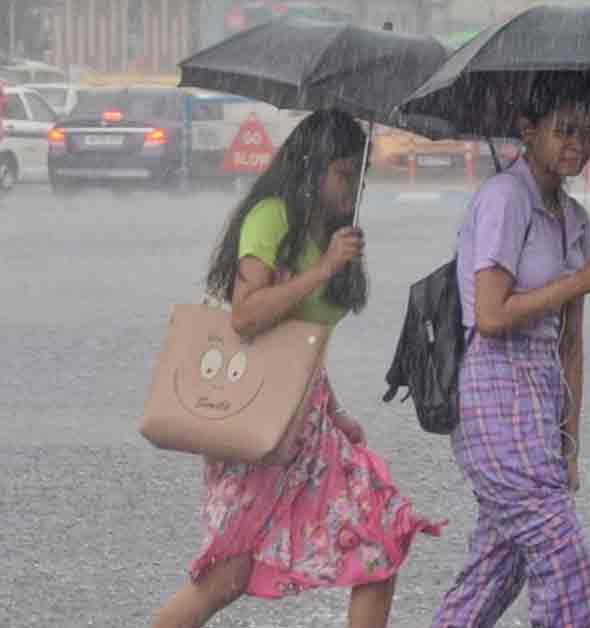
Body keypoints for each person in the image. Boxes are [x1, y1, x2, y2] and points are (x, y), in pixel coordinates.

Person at [152, 109, 442, 628]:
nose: (353, 186)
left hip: (308, 422)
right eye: (344, 172)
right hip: (256, 422)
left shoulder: (333, 229)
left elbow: (302, 343)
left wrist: (335, 411)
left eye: (360, 173)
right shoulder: (272, 218)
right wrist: (324, 268)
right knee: (228, 576)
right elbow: (247, 316)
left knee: (378, 543)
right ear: (312, 166)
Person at [429, 82, 590, 628]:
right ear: (527, 130)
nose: (577, 145)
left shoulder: (575, 219)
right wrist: (579, 280)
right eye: (564, 130)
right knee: (564, 559)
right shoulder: (504, 199)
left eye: (587, 134)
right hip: (492, 393)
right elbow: (490, 315)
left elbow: (570, 342)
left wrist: (570, 443)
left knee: (497, 569)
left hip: (540, 399)